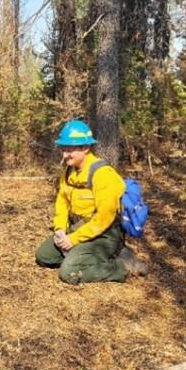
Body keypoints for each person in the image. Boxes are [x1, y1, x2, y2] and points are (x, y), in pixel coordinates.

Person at [35, 120, 145, 284]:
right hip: (79, 227)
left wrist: (73, 240)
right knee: (44, 256)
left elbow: (103, 219)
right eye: (63, 150)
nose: (65, 155)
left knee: (69, 272)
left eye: (69, 150)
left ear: (85, 148)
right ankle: (86, 256)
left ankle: (122, 266)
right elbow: (62, 202)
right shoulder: (69, 171)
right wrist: (60, 229)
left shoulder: (103, 174)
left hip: (105, 233)